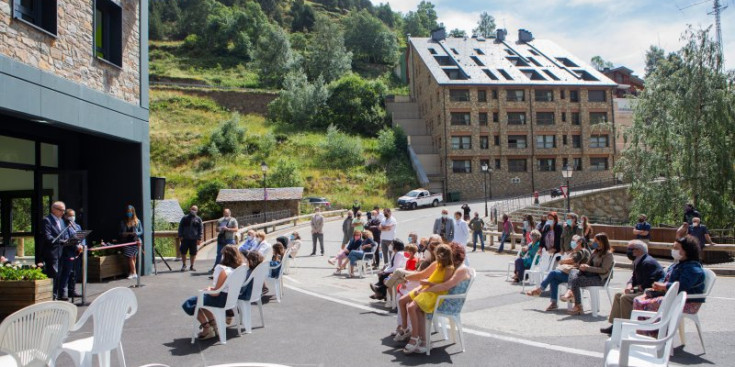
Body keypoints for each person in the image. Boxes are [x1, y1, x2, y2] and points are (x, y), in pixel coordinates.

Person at [394, 244, 456, 354]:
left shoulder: (449, 269)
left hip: (434, 293)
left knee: (412, 307)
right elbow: (422, 275)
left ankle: (415, 337)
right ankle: (407, 330)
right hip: (426, 289)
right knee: (402, 301)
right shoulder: (437, 264)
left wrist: (427, 283)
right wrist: (405, 277)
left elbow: (443, 286)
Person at [632, 235, 707, 321]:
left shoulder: (693, 268)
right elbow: (664, 277)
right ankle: (643, 329)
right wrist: (658, 285)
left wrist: (664, 286)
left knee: (648, 302)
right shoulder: (677, 265)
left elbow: (682, 285)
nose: (673, 250)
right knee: (638, 300)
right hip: (673, 298)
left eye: (676, 248)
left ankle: (655, 331)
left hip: (686, 302)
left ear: (687, 250)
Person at [600, 240, 664, 335]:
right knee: (618, 295)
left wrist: (636, 288)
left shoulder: (648, 262)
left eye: (631, 249)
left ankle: (627, 326)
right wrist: (629, 285)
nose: (629, 251)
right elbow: (633, 277)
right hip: (641, 289)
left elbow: (651, 281)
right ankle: (616, 325)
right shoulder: (638, 261)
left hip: (650, 291)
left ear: (639, 250)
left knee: (625, 298)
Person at [182, 245, 243, 340]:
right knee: (202, 302)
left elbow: (216, 293)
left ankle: (206, 328)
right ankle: (213, 324)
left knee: (189, 303)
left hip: (221, 299)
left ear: (225, 256)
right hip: (231, 299)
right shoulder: (237, 270)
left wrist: (208, 290)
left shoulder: (224, 271)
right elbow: (223, 287)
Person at [526, 234, 590, 311]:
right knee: (554, 280)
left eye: (574, 241)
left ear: (580, 242)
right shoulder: (575, 252)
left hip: (575, 277)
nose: (572, 242)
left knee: (553, 273)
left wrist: (563, 261)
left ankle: (539, 290)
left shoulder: (583, 251)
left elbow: (574, 260)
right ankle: (554, 303)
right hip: (569, 274)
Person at [562, 232, 615, 315]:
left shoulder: (608, 254)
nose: (594, 243)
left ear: (602, 242)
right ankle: (570, 291)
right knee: (573, 271)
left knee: (576, 281)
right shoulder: (595, 252)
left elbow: (604, 270)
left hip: (600, 279)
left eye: (596, 241)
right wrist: (583, 265)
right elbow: (588, 263)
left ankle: (578, 305)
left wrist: (588, 268)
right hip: (590, 275)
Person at [42, 201, 69, 299]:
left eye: (64, 210)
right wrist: (62, 241)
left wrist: (67, 240)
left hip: (61, 252)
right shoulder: (47, 220)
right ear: (53, 209)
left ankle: (57, 295)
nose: (63, 212)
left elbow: (65, 234)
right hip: (52, 253)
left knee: (59, 275)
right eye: (61, 210)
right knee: (53, 275)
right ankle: (51, 296)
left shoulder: (62, 221)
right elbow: (48, 237)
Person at [57, 209, 84, 300]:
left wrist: (82, 245)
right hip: (68, 253)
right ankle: (62, 292)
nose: (72, 217)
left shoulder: (77, 226)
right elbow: (66, 239)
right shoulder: (64, 226)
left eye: (73, 215)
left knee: (75, 272)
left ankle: (72, 290)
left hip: (77, 253)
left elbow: (81, 237)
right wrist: (75, 245)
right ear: (65, 216)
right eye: (70, 216)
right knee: (66, 273)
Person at [121, 205, 144, 279]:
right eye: (128, 212)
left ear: (133, 212)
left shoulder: (137, 221)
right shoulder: (124, 222)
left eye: (131, 212)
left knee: (134, 257)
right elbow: (121, 232)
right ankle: (134, 273)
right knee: (130, 257)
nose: (129, 213)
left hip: (135, 241)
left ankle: (131, 273)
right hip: (127, 242)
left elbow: (141, 231)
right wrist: (128, 233)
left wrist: (136, 233)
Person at [178, 205, 203, 272]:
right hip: (185, 238)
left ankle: (192, 266)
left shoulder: (198, 219)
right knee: (183, 252)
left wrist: (199, 238)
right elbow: (180, 227)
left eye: (195, 210)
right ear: (190, 209)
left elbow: (201, 229)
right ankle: (184, 265)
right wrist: (180, 236)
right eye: (192, 209)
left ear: (197, 211)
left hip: (194, 239)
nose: (193, 211)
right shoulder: (184, 218)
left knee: (193, 253)